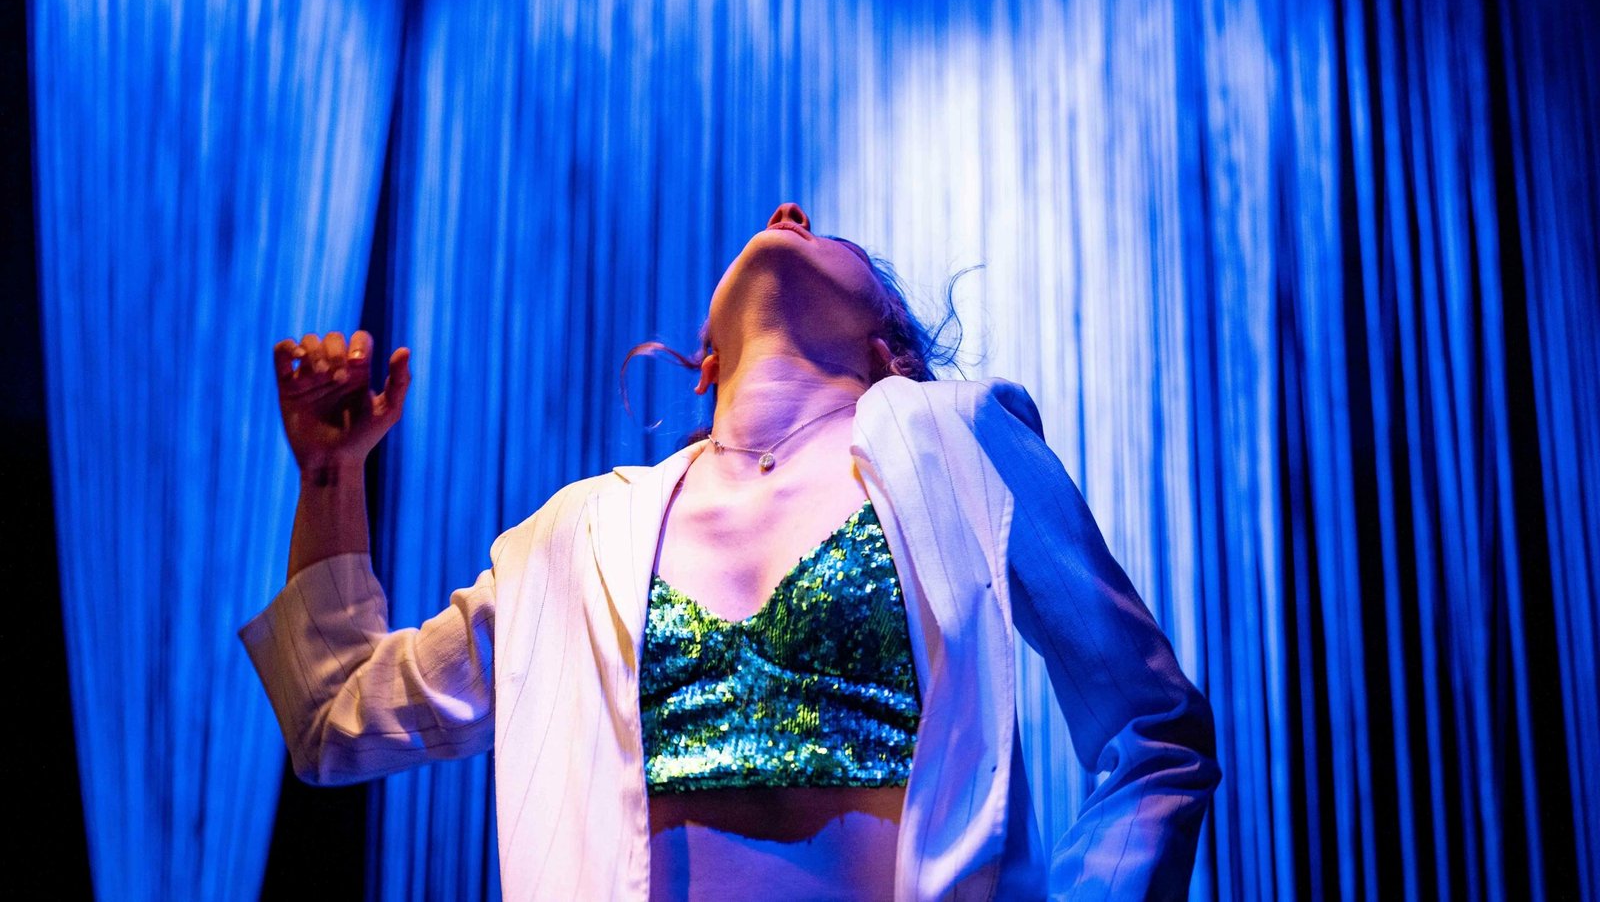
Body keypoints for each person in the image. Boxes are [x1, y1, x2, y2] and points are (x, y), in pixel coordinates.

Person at [241, 202, 1221, 901]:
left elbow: (1155, 733)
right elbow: (336, 716)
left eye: (831, 237)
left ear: (888, 349)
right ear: (705, 359)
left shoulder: (957, 439)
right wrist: (331, 471)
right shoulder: (573, 536)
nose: (789, 213)